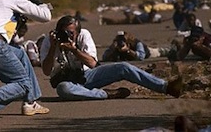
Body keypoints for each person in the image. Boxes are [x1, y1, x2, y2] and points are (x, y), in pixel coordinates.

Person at [40, 15, 183, 101]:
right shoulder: (50, 40)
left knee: (123, 67)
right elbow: (46, 71)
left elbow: (92, 64)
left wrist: (74, 50)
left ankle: (166, 87)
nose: (66, 35)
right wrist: (54, 47)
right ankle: (105, 94)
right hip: (67, 82)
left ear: (78, 33)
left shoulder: (84, 35)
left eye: (70, 33)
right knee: (63, 89)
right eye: (63, 32)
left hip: (86, 75)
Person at [102, 31, 170, 62]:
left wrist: (128, 50)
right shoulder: (116, 46)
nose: (122, 42)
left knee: (162, 51)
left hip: (149, 52)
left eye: (123, 40)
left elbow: (141, 57)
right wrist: (112, 48)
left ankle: (173, 50)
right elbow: (104, 58)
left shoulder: (136, 43)